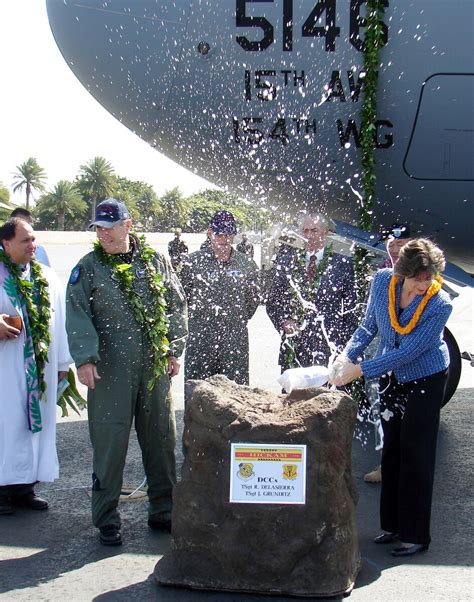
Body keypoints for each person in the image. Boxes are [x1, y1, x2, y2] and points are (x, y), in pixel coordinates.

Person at [65, 198, 188, 546]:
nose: (103, 234)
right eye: (98, 228)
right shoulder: (88, 267)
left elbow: (176, 305)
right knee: (109, 442)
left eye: (109, 227)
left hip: (153, 365)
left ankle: (164, 511)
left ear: (127, 226)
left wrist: (172, 349)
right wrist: (85, 358)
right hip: (109, 369)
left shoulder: (156, 261)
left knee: (161, 439)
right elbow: (76, 313)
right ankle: (106, 518)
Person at [329, 238, 452, 557]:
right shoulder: (383, 282)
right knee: (392, 448)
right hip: (391, 376)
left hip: (426, 376)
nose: (425, 285)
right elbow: (368, 327)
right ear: (401, 273)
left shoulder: (440, 304)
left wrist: (359, 370)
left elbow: (410, 351)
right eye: (418, 279)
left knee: (416, 452)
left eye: (430, 277)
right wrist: (347, 355)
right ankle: (392, 526)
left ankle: (414, 534)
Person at [0, 218, 71, 515]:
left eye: (33, 239)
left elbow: (61, 321)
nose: (33, 245)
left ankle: (24, 488)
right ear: (5, 244)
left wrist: (63, 363)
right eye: (25, 241)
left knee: (32, 427)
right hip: (6, 369)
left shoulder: (46, 276)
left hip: (38, 370)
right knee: (6, 426)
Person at [179, 210, 260, 391]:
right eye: (219, 234)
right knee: (198, 395)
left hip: (234, 341)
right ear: (209, 233)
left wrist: (233, 318)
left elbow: (252, 300)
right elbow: (182, 299)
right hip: (200, 340)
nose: (224, 239)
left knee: (236, 396)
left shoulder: (246, 264)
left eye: (229, 234)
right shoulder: (193, 263)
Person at [266, 212, 357, 372]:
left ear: (325, 232)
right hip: (295, 347)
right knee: (293, 395)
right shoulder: (287, 262)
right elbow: (273, 302)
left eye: (314, 230)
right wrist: (283, 321)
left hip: (329, 347)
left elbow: (350, 309)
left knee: (326, 395)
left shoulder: (342, 264)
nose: (309, 235)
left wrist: (347, 349)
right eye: (305, 230)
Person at [364, 223, 413, 484]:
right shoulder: (382, 273)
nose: (394, 248)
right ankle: (385, 464)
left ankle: (407, 467)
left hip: (414, 362)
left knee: (412, 421)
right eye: (391, 244)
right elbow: (370, 321)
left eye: (400, 244)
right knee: (382, 413)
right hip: (383, 357)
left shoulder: (422, 275)